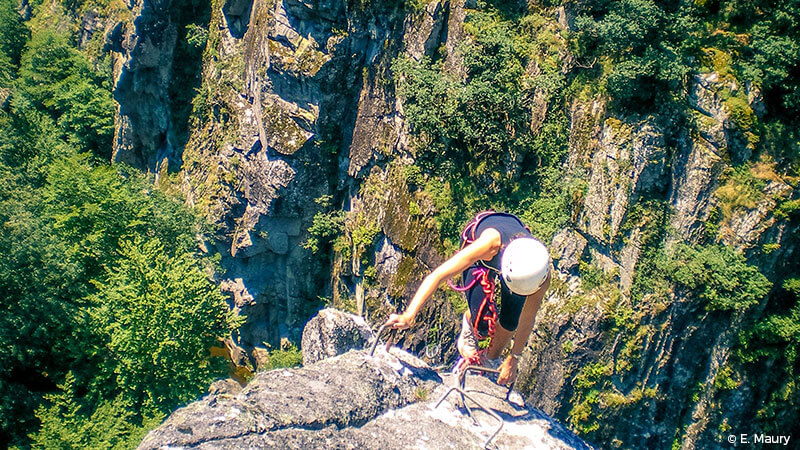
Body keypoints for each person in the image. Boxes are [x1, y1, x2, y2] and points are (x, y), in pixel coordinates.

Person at [384, 211, 551, 386]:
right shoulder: (488, 245)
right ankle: (469, 321)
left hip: (516, 268)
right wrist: (408, 315)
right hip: (483, 254)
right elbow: (438, 275)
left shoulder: (539, 273)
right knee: (483, 323)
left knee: (510, 321)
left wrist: (513, 358)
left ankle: (489, 359)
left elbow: (527, 317)